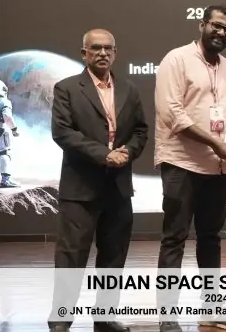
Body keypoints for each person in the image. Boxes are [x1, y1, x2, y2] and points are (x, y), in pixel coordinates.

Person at [48, 29, 149, 332]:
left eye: (108, 48)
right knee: (71, 256)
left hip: (118, 187)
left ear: (115, 53)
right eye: (96, 48)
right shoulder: (67, 88)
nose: (103, 53)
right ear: (84, 53)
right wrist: (104, 155)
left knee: (114, 256)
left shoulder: (129, 89)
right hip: (80, 188)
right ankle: (61, 319)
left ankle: (105, 318)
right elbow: (63, 132)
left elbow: (141, 131)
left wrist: (127, 152)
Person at [154, 5, 226, 332]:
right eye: (216, 26)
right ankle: (167, 315)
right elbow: (173, 114)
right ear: (202, 24)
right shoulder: (176, 59)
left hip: (217, 166)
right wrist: (213, 141)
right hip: (181, 162)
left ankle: (212, 308)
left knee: (211, 237)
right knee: (174, 238)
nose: (221, 33)